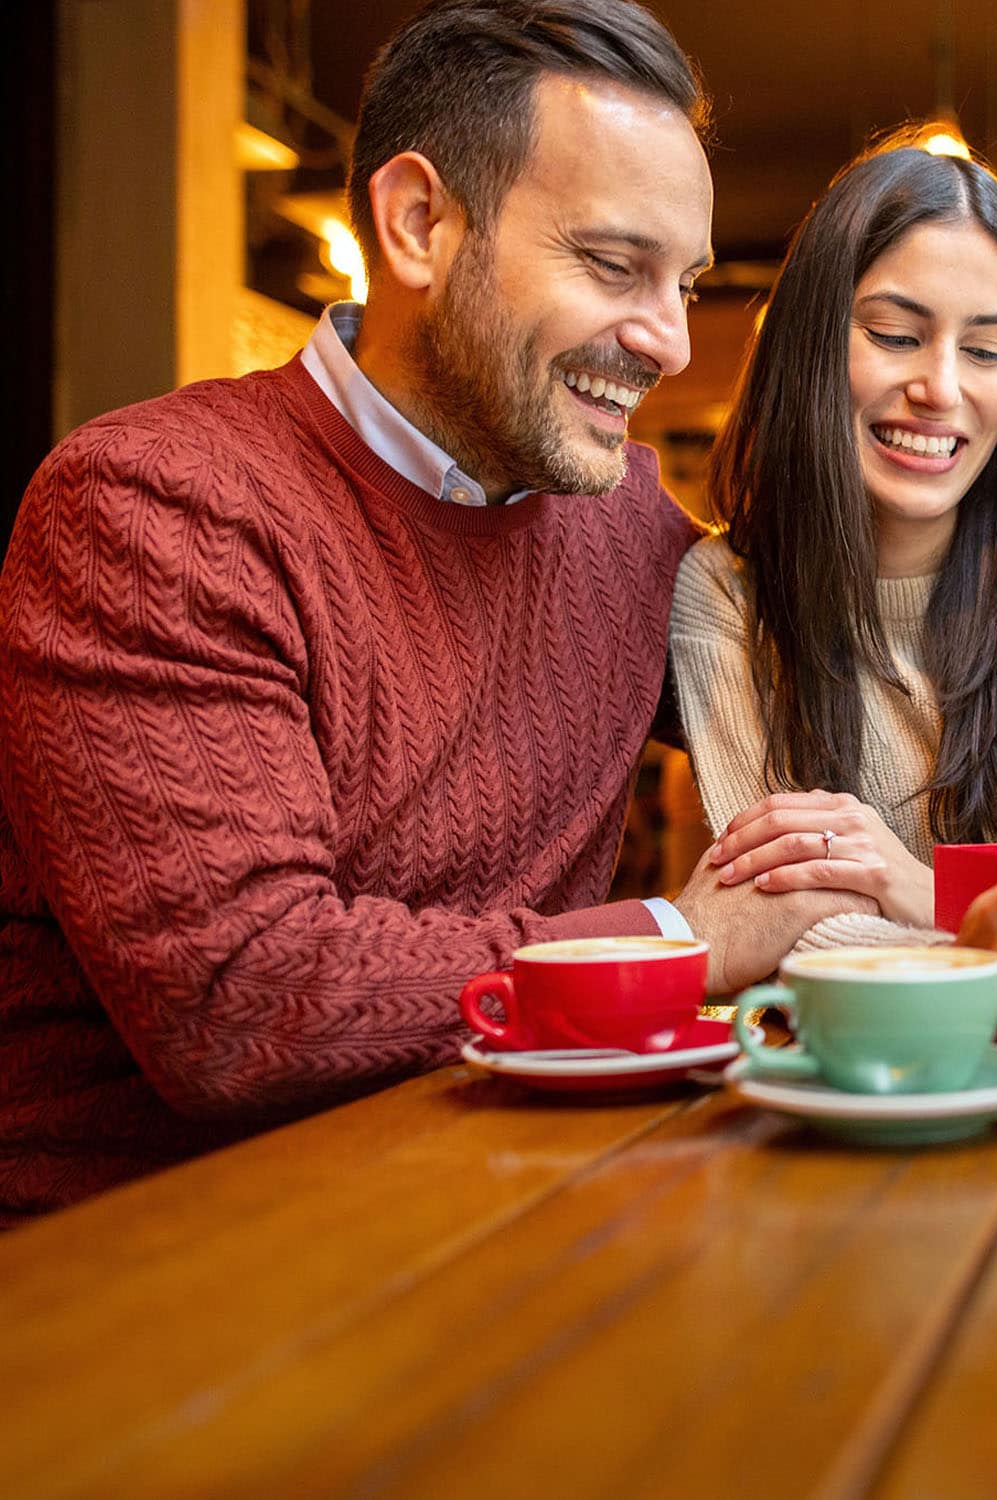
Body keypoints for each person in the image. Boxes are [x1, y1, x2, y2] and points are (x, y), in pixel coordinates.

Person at [0, 0, 878, 1224]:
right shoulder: (155, 507)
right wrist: (685, 935)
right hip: (143, 1275)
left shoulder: (620, 518)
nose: (672, 342)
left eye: (684, 282)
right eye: (614, 265)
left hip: (493, 1213)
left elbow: (856, 688)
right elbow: (241, 1005)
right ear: (419, 224)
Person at [669, 132, 997, 1051]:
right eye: (895, 336)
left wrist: (921, 889)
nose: (940, 389)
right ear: (810, 344)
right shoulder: (725, 596)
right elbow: (795, 923)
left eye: (987, 352)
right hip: (884, 1107)